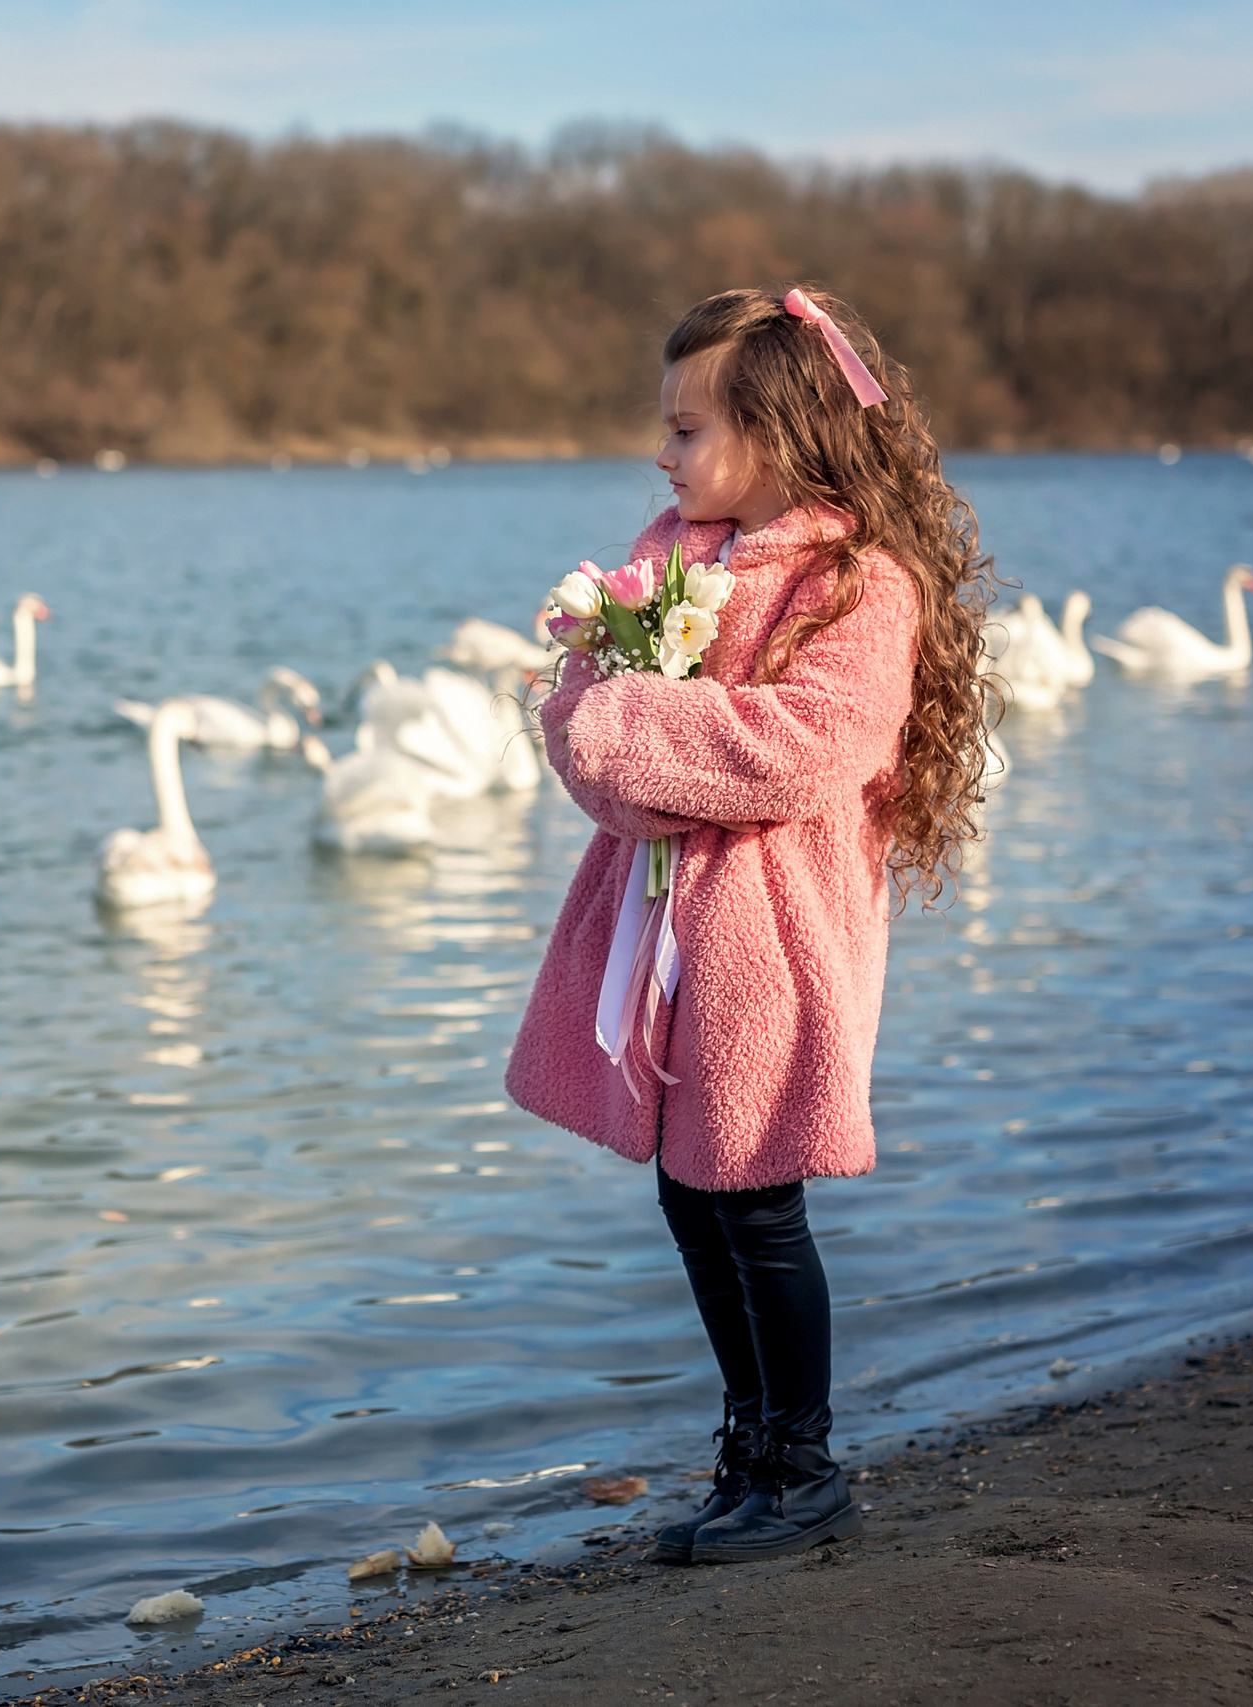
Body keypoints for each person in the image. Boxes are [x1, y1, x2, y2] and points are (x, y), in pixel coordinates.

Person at [506, 286, 994, 1563]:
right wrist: (606, 731)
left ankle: (803, 1466)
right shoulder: (676, 557)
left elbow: (801, 750)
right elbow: (579, 727)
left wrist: (622, 730)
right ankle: (746, 1443)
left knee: (757, 1199)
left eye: (683, 428)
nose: (660, 455)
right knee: (689, 1192)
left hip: (771, 941)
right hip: (660, 928)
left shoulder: (857, 587)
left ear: (774, 434)